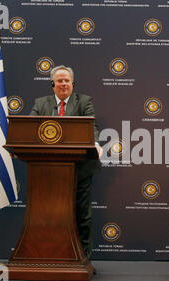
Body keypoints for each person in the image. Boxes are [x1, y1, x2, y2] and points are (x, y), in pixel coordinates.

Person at [30, 65, 102, 260]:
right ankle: (48, 256)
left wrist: (95, 143)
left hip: (80, 168)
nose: (63, 84)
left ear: (72, 84)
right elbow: (29, 129)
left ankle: (83, 259)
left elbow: (91, 125)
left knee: (82, 216)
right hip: (47, 170)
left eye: (67, 81)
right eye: (59, 80)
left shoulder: (84, 102)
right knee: (48, 215)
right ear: (52, 84)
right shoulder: (41, 103)